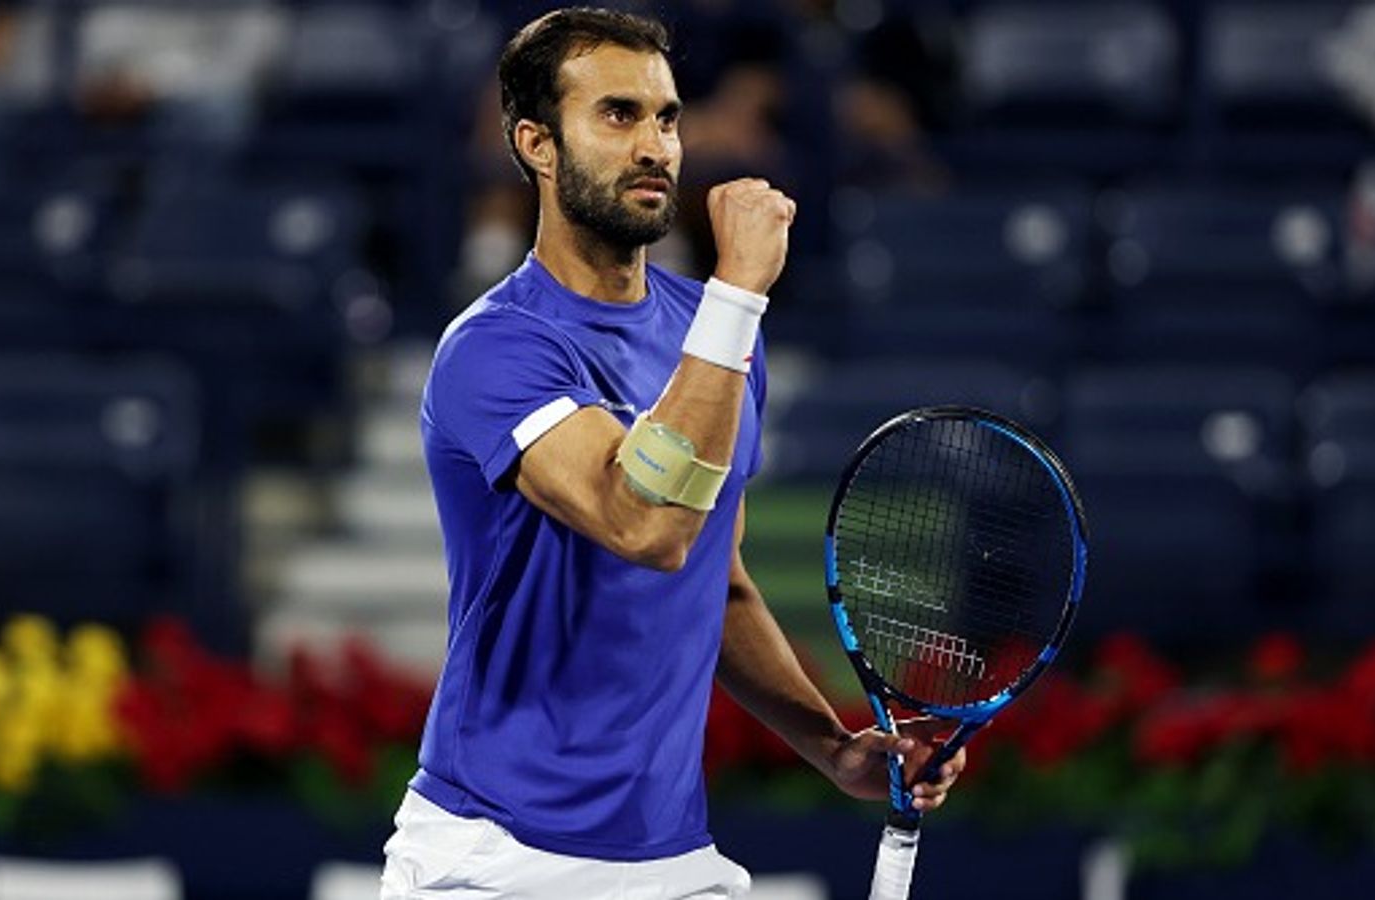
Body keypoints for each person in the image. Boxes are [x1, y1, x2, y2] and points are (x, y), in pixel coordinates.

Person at [383, 8, 965, 898]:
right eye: (618, 115)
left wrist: (833, 748)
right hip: (496, 857)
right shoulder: (496, 348)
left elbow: (713, 580)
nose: (655, 146)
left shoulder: (719, 333)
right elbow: (646, 524)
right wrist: (737, 293)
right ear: (538, 145)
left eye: (667, 118)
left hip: (673, 856)